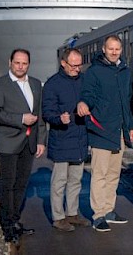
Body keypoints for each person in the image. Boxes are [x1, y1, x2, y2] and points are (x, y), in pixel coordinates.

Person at [76, 35, 133, 232]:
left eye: (117, 49)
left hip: (119, 131)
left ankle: (109, 210)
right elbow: (88, 95)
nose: (114, 52)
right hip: (101, 130)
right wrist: (84, 104)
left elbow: (127, 102)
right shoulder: (94, 72)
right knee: (99, 174)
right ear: (104, 49)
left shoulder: (125, 72)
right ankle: (98, 215)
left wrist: (131, 126)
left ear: (121, 50)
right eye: (111, 49)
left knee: (113, 174)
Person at [0, 48, 46, 245]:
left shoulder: (36, 84)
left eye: (24, 63)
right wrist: (20, 119)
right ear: (10, 62)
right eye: (17, 63)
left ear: (29, 64)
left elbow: (40, 116)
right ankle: (7, 225)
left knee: (21, 184)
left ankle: (15, 220)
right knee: (8, 184)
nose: (20, 66)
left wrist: (40, 141)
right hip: (7, 141)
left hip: (28, 143)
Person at [42, 48, 91, 232]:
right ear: (63, 63)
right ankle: (58, 217)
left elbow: (91, 99)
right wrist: (58, 119)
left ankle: (72, 213)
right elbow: (47, 112)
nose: (77, 69)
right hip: (62, 138)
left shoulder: (84, 81)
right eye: (74, 65)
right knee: (59, 181)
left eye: (79, 65)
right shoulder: (52, 84)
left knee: (76, 179)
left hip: (79, 138)